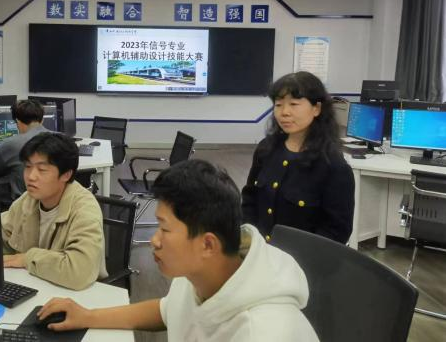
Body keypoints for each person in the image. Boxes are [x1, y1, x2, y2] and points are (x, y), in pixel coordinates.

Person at [37, 159, 318, 341]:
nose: (155, 240)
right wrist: (88, 316)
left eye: (165, 229)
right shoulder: (202, 271)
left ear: (208, 244)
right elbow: (167, 310)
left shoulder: (263, 331)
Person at [242, 71, 355, 244]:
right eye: (278, 104)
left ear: (316, 108)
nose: (284, 112)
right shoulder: (266, 149)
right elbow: (250, 199)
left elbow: (336, 231)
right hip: (260, 250)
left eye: (294, 104)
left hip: (301, 258)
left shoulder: (333, 166)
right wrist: (251, 240)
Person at [1, 132, 107, 290]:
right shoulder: (28, 200)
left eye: (42, 169)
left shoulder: (85, 209)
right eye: (28, 167)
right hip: (37, 283)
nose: (31, 176)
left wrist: (27, 259)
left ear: (66, 174)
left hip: (77, 294)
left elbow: (79, 272)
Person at [0, 99, 49, 209]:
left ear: (17, 122)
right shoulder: (61, 139)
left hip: (23, 209)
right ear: (42, 120)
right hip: (52, 205)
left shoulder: (12, 144)